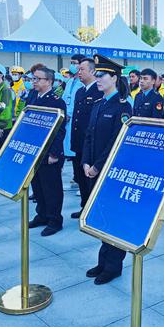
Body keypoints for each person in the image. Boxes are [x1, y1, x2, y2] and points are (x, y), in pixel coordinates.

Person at [83, 54, 132, 285]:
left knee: (113, 217)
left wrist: (97, 166)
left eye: (102, 75)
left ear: (114, 78)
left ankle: (113, 266)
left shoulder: (123, 107)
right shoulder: (98, 104)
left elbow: (117, 142)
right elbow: (88, 136)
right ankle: (103, 260)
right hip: (93, 169)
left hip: (110, 171)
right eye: (97, 74)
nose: (98, 78)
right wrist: (86, 162)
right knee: (102, 216)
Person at [26, 66, 67, 236]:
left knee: (51, 188)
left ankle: (54, 220)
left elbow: (60, 130)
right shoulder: (33, 96)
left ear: (49, 81)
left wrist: (54, 153)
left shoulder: (56, 101)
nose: (34, 82)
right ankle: (41, 215)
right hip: (34, 149)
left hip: (49, 152)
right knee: (37, 186)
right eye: (33, 78)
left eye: (38, 79)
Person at [70, 57, 103, 219]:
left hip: (91, 145)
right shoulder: (80, 91)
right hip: (79, 144)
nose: (79, 72)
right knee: (80, 178)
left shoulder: (99, 91)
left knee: (91, 179)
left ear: (92, 71)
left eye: (82, 69)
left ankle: (93, 210)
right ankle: (84, 206)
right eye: (78, 69)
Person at [62, 54, 85, 184]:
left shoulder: (82, 83)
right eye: (71, 62)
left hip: (75, 119)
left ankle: (78, 177)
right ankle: (76, 176)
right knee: (69, 149)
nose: (72, 65)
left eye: (74, 63)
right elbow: (65, 99)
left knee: (77, 149)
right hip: (66, 118)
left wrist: (70, 113)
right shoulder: (70, 81)